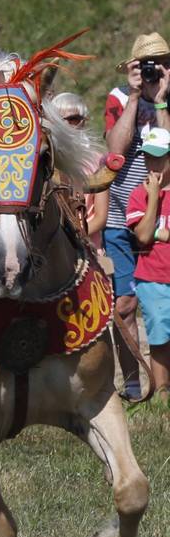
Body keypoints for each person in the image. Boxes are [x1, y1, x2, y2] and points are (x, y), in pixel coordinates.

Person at [103, 33, 170, 400]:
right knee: (124, 305)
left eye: (161, 62)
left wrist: (160, 102)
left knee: (164, 302)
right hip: (119, 217)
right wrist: (133, 96)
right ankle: (132, 383)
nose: (154, 70)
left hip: (160, 211)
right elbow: (115, 149)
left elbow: (169, 151)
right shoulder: (117, 97)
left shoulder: (168, 100)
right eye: (148, 64)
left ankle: (163, 385)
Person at [126, 127, 170, 404]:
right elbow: (141, 235)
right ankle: (162, 393)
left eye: (158, 158)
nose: (152, 164)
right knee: (159, 335)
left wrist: (159, 232)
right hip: (152, 277)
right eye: (147, 158)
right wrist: (154, 196)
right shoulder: (138, 195)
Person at [52, 92, 109, 252]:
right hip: (52, 249)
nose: (68, 124)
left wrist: (73, 235)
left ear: (84, 121)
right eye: (61, 119)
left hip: (89, 246)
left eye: (74, 119)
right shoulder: (47, 159)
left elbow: (100, 216)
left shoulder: (97, 161)